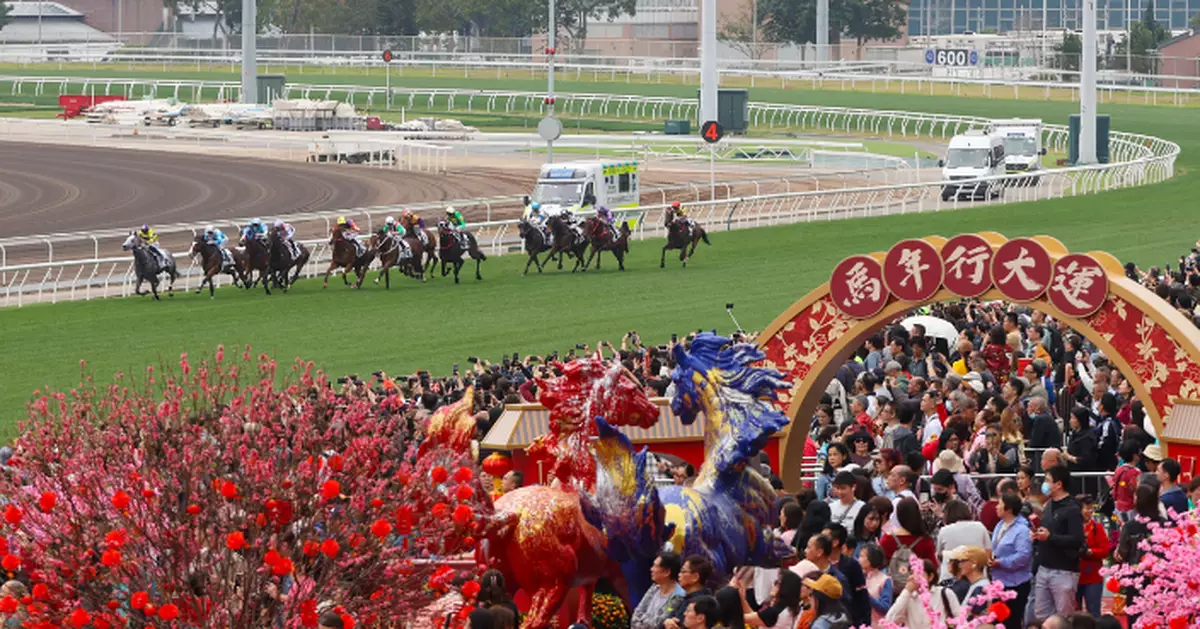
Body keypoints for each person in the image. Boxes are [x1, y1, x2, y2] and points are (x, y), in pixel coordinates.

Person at [1032, 465, 1084, 620]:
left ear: (1058, 484)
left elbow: (1077, 539)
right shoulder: (1048, 505)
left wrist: (1050, 537)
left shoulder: (1072, 508)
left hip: (1064, 570)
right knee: (1041, 615)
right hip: (1044, 567)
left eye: (1048, 481)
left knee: (1064, 617)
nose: (1045, 484)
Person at [991, 493, 1033, 629]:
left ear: (1008, 509)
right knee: (997, 620)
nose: (996, 507)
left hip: (1015, 583)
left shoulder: (1021, 530)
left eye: (1000, 504)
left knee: (1012, 621)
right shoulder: (1000, 525)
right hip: (999, 581)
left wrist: (1001, 562)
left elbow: (1023, 556)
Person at [880, 498, 938, 590]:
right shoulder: (925, 541)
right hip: (918, 589)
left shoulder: (887, 539)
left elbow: (880, 566)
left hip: (892, 589)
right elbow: (933, 567)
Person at [885, 558, 961, 629]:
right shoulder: (907, 597)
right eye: (911, 573)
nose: (913, 577)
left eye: (918, 573)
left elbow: (961, 621)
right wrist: (907, 591)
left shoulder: (945, 593)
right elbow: (889, 619)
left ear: (931, 577)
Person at [820, 524, 867, 627]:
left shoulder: (851, 565)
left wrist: (864, 623)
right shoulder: (817, 563)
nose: (820, 541)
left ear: (835, 542)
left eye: (824, 538)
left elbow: (861, 596)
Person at [936, 499, 992, 584]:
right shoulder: (980, 527)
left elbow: (939, 555)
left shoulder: (945, 530)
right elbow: (988, 553)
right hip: (977, 577)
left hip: (950, 578)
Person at [632, 552, 686, 629]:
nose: (651, 569)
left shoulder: (677, 596)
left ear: (667, 572)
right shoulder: (654, 589)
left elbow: (658, 624)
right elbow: (635, 615)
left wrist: (642, 619)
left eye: (655, 566)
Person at [1075, 496, 1108, 617]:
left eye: (1091, 508)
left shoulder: (1096, 527)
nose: (1090, 511)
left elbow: (1105, 551)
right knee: (1074, 612)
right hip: (1074, 576)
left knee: (1093, 612)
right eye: (1087, 508)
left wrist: (1090, 552)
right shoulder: (1072, 528)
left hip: (1093, 577)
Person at [662, 555, 714, 629]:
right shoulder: (682, 597)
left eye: (683, 572)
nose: (679, 575)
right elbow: (667, 617)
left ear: (695, 577)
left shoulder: (702, 603)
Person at [735, 571, 802, 629]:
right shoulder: (786, 609)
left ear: (786, 588)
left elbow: (737, 618)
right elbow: (755, 618)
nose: (773, 585)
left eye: (776, 583)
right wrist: (742, 598)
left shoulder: (775, 612)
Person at [946, 545, 991, 616]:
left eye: (963, 561)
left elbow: (972, 618)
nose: (959, 565)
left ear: (974, 563)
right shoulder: (976, 584)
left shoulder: (980, 588)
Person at [857, 543, 893, 624]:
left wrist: (867, 596)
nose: (858, 559)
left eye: (862, 556)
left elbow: (885, 607)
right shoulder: (858, 576)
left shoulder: (885, 580)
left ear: (871, 559)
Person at [1109, 440, 1143, 523]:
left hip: (1119, 507)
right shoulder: (1136, 473)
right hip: (1131, 509)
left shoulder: (1119, 470)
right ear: (1135, 456)